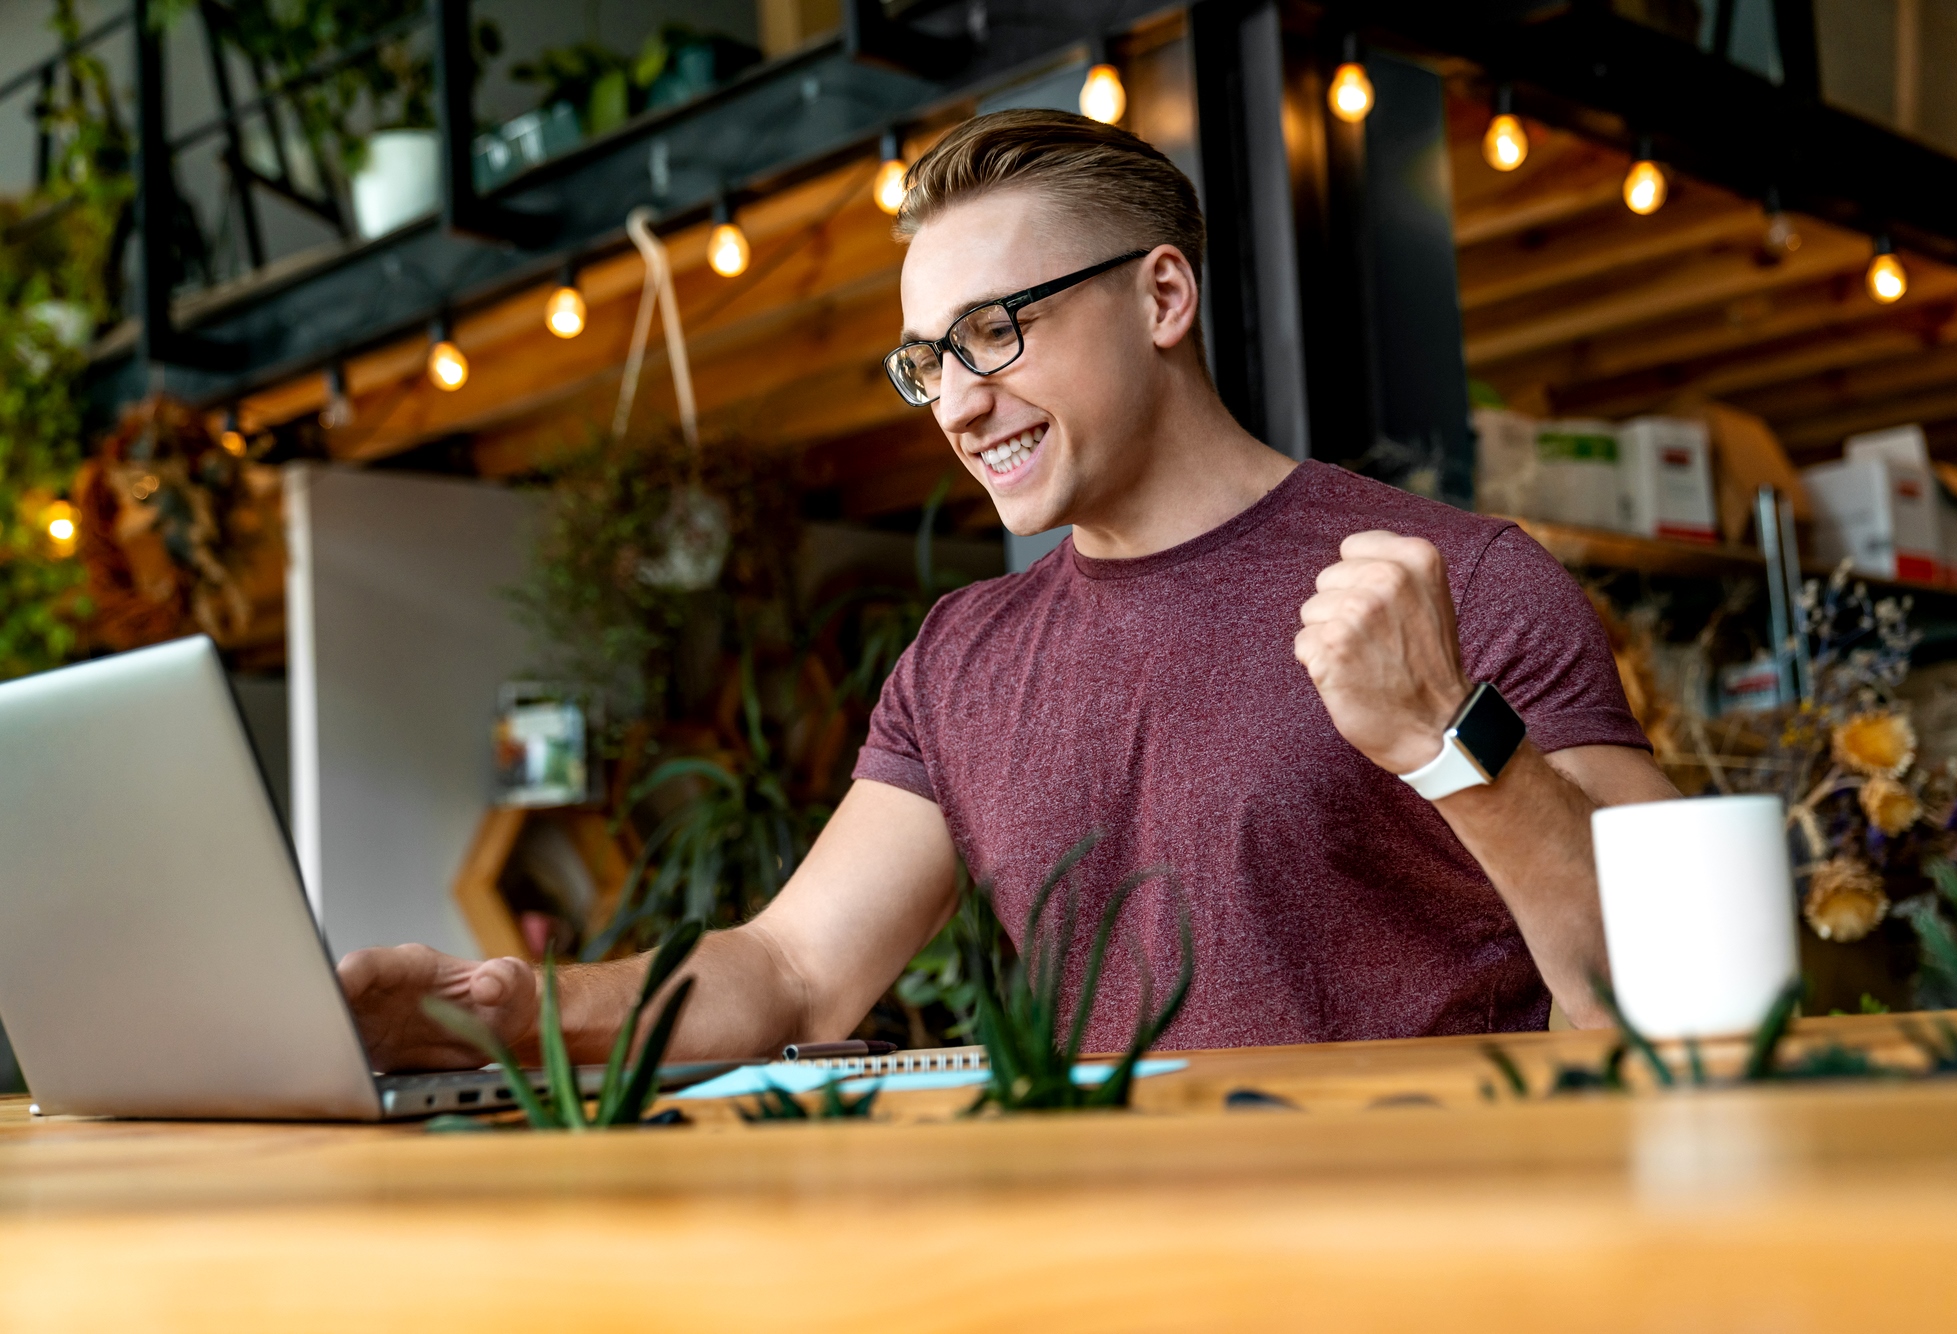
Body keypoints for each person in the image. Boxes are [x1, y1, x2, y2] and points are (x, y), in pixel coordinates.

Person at [340, 108, 1679, 1071]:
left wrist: (1456, 739)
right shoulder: (965, 654)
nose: (962, 401)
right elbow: (795, 970)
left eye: (997, 329)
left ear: (1162, 297)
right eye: (928, 359)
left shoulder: (1457, 581)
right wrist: (507, 1015)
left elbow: (1682, 983)